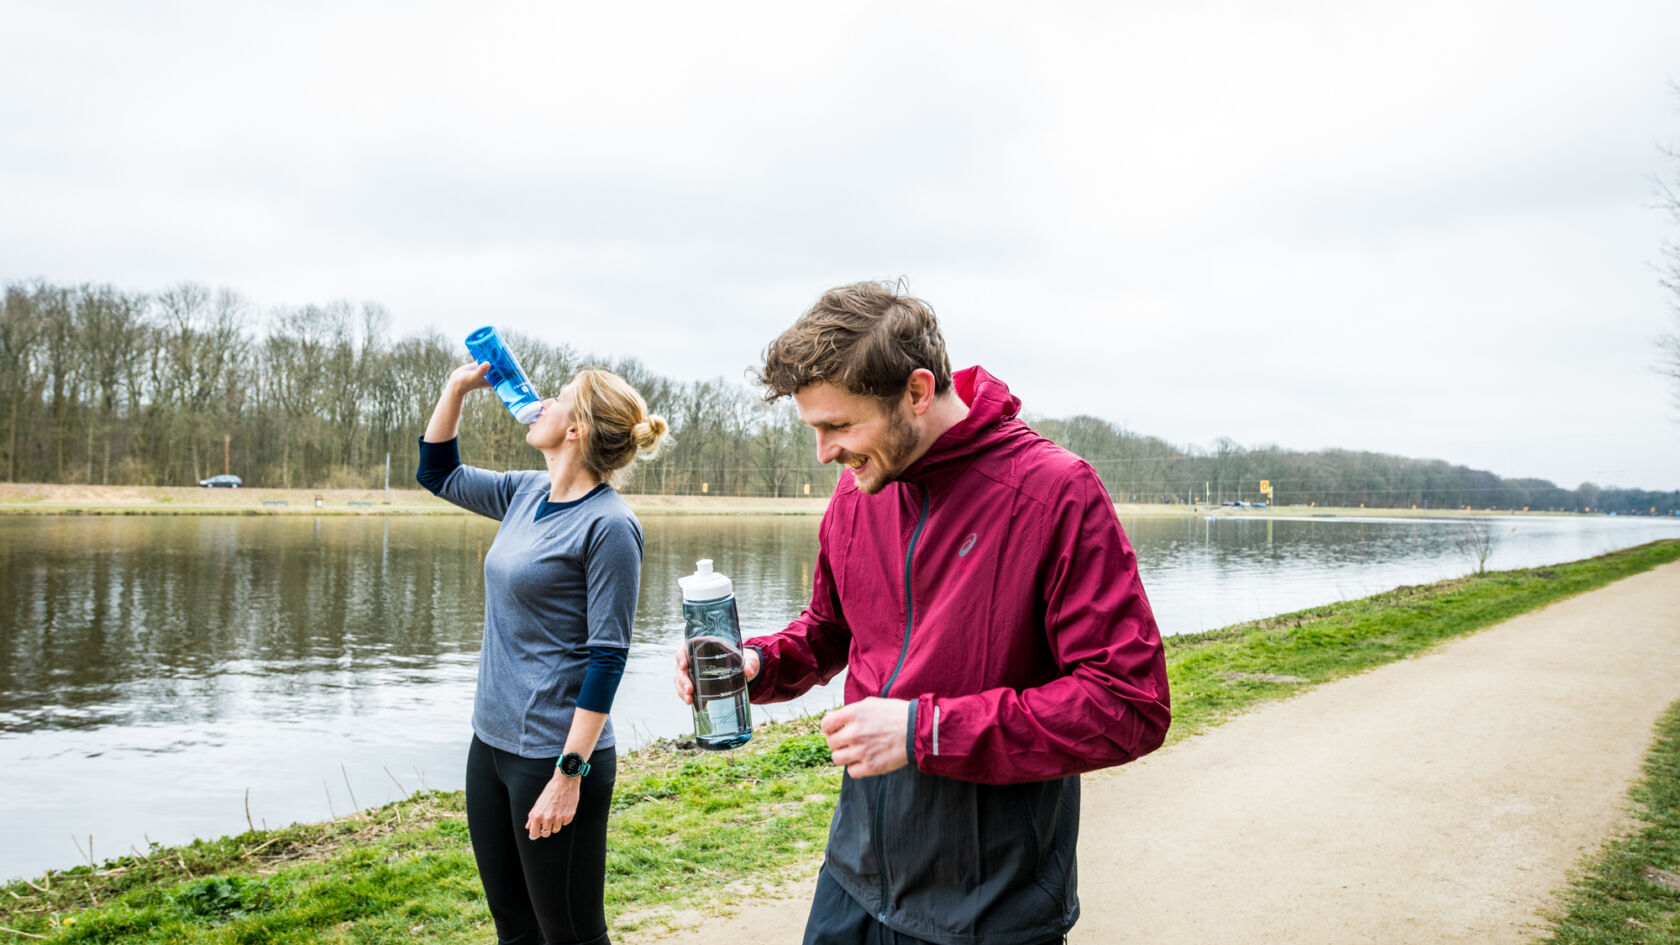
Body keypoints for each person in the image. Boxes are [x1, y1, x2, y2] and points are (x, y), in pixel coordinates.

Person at [674, 282, 1171, 945]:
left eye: (838, 426)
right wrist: (758, 663)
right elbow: (829, 631)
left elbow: (1128, 704)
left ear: (915, 391)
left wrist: (923, 730)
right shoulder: (859, 491)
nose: (824, 453)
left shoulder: (1055, 493)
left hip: (990, 906)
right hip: (853, 879)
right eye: (814, 428)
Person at [421, 360, 668, 945]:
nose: (539, 404)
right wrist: (456, 388)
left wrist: (568, 775)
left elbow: (608, 658)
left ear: (577, 428)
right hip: (492, 745)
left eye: (557, 399)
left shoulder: (609, 525)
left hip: (552, 757)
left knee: (572, 935)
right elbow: (438, 473)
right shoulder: (523, 492)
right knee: (514, 928)